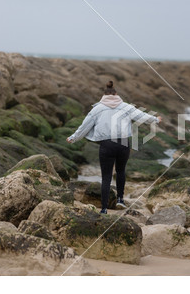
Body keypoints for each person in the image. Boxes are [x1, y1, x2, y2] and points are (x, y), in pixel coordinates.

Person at [67, 81, 162, 214]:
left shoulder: (97, 109)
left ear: (103, 95)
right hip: (123, 143)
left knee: (106, 177)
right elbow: (142, 116)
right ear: (116, 94)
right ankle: (120, 200)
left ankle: (104, 209)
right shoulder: (126, 107)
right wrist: (155, 119)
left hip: (107, 144)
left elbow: (85, 126)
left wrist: (73, 137)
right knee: (121, 171)